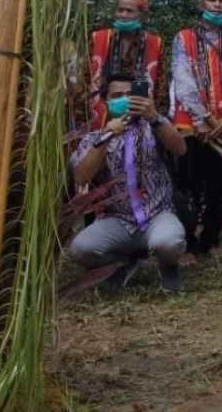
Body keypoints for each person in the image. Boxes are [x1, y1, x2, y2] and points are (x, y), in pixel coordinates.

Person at [69, 72, 188, 291]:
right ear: (106, 101)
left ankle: (168, 266)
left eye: (130, 95)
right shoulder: (95, 136)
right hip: (117, 218)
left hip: (157, 214)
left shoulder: (155, 128)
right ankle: (121, 264)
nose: (124, 99)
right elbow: (81, 176)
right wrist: (106, 138)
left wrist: (155, 117)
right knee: (81, 249)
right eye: (117, 95)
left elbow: (180, 148)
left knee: (169, 243)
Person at [170, 0, 222, 259]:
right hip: (193, 125)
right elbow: (183, 79)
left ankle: (211, 238)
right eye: (212, 0)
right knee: (189, 182)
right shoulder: (184, 38)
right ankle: (187, 240)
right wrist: (202, 119)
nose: (217, 5)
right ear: (202, 3)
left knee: (219, 183)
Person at [88, 0, 161, 131]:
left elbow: (160, 90)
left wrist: (156, 123)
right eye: (120, 10)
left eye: (129, 11)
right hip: (101, 119)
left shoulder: (153, 44)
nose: (123, 15)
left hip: (140, 119)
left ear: (143, 16)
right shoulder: (99, 39)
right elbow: (85, 83)